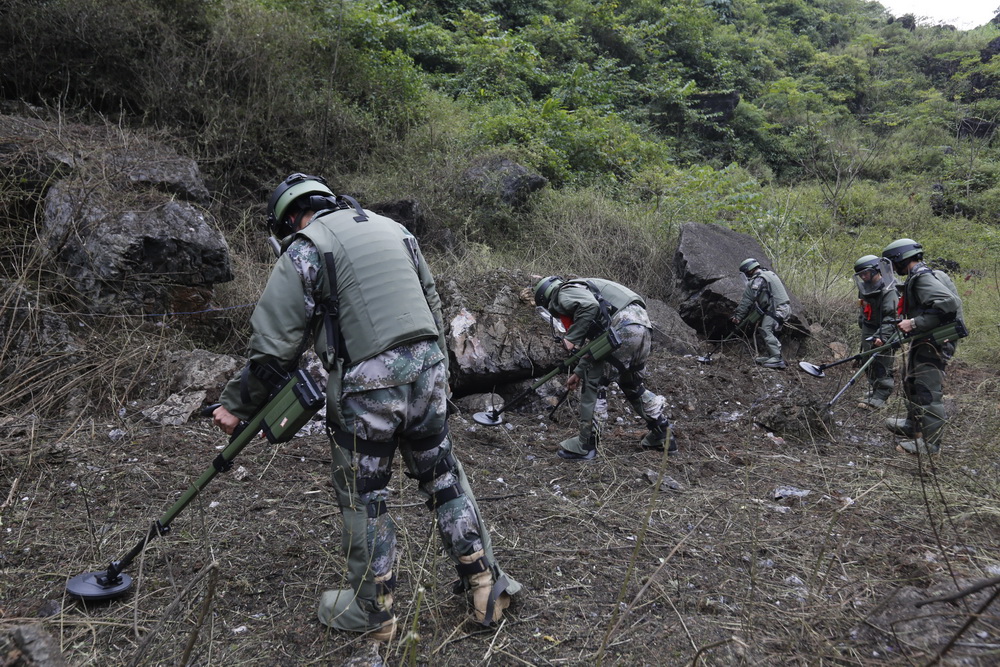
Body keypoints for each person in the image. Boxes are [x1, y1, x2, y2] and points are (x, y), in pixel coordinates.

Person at [211, 173, 519, 640]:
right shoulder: (394, 229)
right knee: (443, 478)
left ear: (289, 218)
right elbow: (432, 304)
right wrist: (438, 374)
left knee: (364, 495)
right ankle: (484, 586)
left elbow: (274, 350)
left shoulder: (305, 247)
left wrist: (236, 405)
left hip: (369, 385)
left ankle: (374, 611)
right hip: (430, 369)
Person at [532, 276, 675, 461]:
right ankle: (663, 434)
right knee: (632, 384)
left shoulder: (564, 291)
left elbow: (589, 307)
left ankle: (586, 444)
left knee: (595, 382)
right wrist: (578, 371)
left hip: (623, 328)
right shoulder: (588, 290)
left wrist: (572, 338)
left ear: (547, 298)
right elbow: (597, 346)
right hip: (643, 328)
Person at [881, 238, 964, 455]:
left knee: (927, 390)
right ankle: (913, 426)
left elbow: (948, 303)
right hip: (926, 338)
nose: (893, 268)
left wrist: (914, 323)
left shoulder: (922, 278)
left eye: (892, 262)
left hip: (936, 341)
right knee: (911, 381)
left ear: (900, 258)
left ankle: (931, 444)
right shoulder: (921, 275)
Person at [852, 255, 899, 410]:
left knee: (881, 361)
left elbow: (892, 316)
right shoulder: (865, 287)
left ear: (876, 270)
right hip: (869, 326)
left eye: (866, 273)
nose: (863, 277)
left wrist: (882, 336)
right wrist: (862, 321)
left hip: (885, 327)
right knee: (867, 359)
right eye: (861, 275)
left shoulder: (889, 288)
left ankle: (881, 396)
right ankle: (874, 389)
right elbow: (863, 306)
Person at [730, 258, 791, 369]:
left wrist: (738, 316)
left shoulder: (758, 280)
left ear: (748, 270)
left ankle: (776, 358)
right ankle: (773, 356)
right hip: (783, 308)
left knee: (766, 329)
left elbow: (747, 299)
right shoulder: (768, 274)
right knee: (770, 330)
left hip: (777, 309)